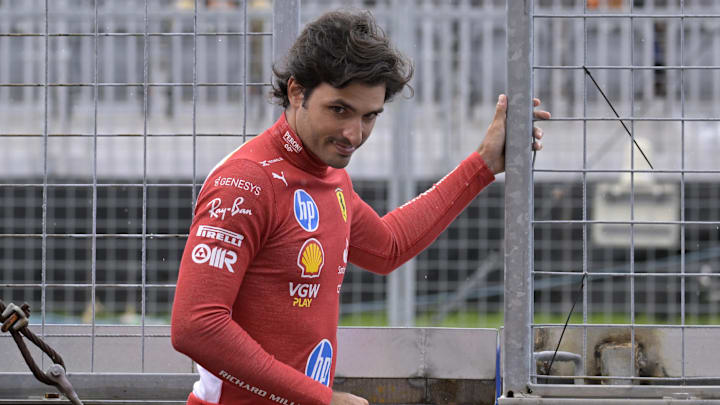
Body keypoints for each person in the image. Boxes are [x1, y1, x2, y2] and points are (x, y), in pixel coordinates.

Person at [171, 9, 549, 405]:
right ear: (297, 92)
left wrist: (484, 165)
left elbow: (388, 247)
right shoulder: (246, 183)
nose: (354, 134)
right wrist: (323, 399)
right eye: (340, 110)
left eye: (370, 116)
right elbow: (196, 326)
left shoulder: (327, 174)